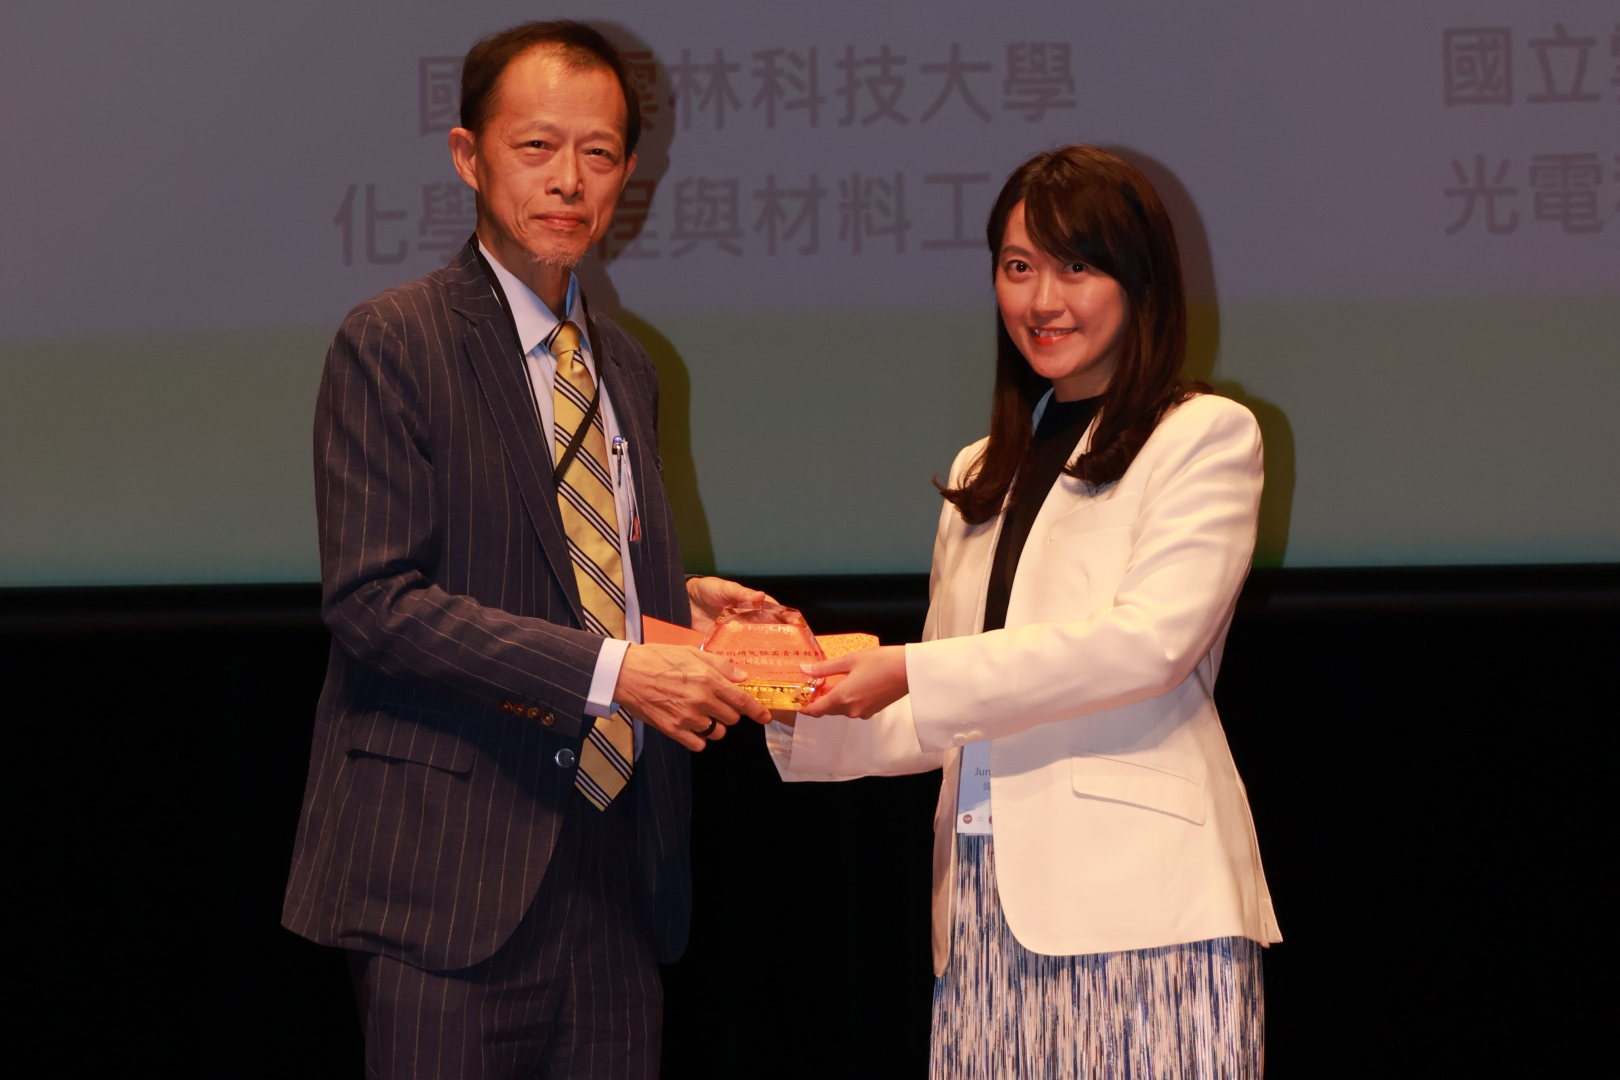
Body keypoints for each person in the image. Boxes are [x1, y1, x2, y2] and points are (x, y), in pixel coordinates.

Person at [281, 21, 772, 1080]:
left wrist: (680, 608)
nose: (568, 180)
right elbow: (374, 600)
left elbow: (561, 559)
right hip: (448, 874)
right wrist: (616, 669)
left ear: (628, 173)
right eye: (536, 147)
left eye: (598, 153)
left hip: (615, 877)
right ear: (469, 156)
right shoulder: (395, 339)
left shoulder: (626, 365)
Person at [768, 146, 1282, 1077]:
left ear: (1139, 280)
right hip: (979, 906)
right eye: (1017, 267)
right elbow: (945, 707)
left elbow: (1148, 645)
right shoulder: (980, 470)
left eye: (1075, 266)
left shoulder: (1202, 434)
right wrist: (785, 692)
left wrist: (909, 670)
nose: (1042, 300)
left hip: (1142, 904)